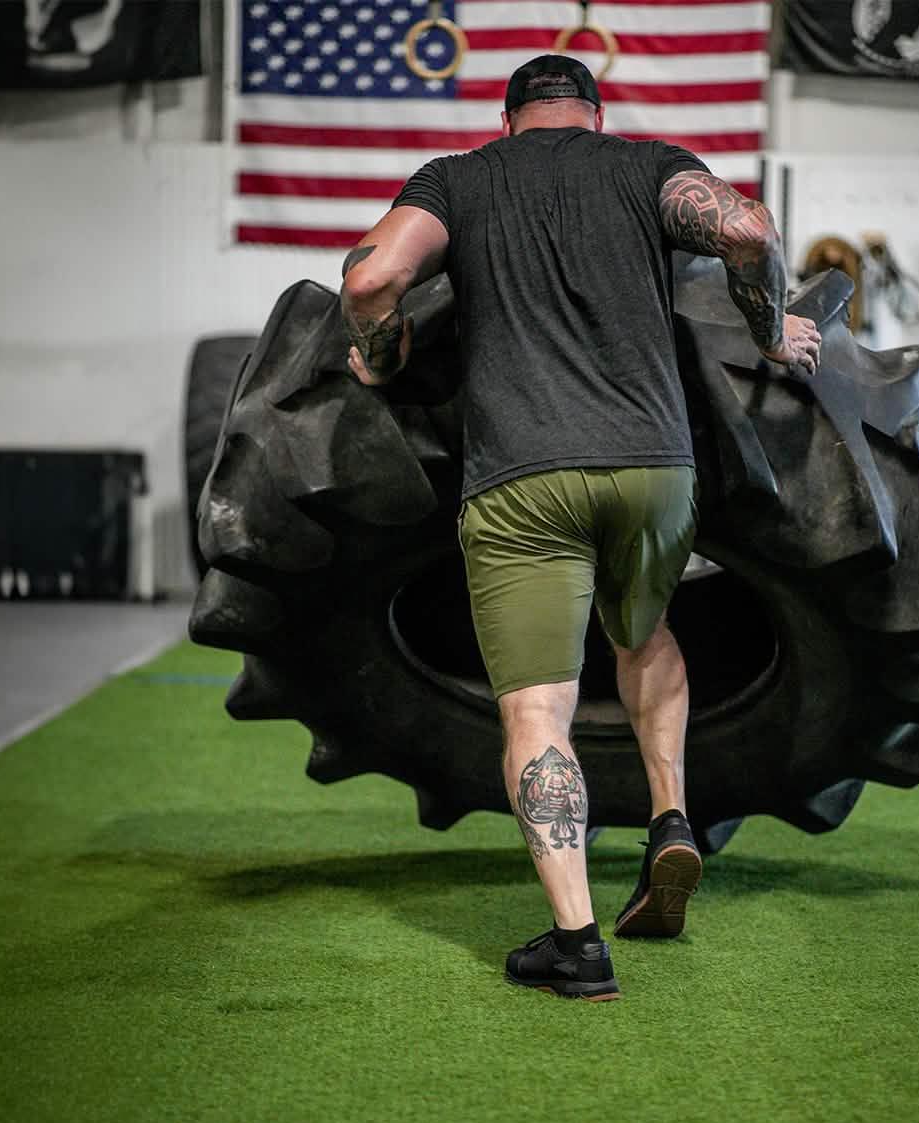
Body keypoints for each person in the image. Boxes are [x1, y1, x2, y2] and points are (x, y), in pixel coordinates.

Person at [341, 54, 821, 1001]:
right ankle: (671, 818)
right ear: (593, 113)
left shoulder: (461, 179)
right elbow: (747, 230)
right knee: (642, 631)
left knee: (535, 711)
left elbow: (368, 281)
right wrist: (770, 334)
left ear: (510, 114)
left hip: (524, 479)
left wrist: (381, 351)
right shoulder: (648, 166)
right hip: (655, 469)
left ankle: (577, 944)